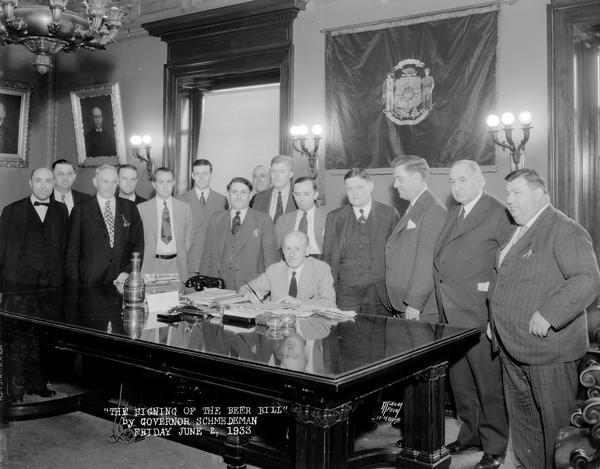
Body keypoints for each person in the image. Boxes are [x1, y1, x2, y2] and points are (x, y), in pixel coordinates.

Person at [490, 168, 600, 469]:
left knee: (556, 428)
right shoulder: (518, 228)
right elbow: (507, 279)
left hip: (548, 349)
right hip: (512, 344)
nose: (509, 200)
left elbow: (587, 278)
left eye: (517, 193)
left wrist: (549, 314)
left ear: (541, 194)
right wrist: (494, 319)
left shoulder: (564, 229)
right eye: (507, 193)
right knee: (524, 420)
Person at [433, 160, 511, 469]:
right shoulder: (455, 212)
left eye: (462, 180)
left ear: (479, 179)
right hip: (452, 315)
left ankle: (495, 446)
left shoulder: (498, 212)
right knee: (461, 382)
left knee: (488, 386)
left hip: (480, 316)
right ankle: (470, 433)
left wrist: (496, 316)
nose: (456, 186)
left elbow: (506, 268)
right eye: (452, 181)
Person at [322, 168, 399, 315]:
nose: (354, 192)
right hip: (344, 294)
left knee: (379, 336)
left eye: (359, 187)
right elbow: (327, 257)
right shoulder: (334, 217)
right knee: (345, 335)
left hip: (378, 293)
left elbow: (396, 258)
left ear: (370, 186)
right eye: (350, 189)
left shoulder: (389, 214)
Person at [385, 155, 446, 321]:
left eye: (400, 179)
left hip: (419, 308)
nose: (396, 184)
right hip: (404, 304)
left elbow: (427, 261)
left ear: (417, 177)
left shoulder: (433, 210)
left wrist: (415, 303)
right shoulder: (415, 206)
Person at [65, 164, 144, 285]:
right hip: (89, 282)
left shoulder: (130, 208)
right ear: (95, 182)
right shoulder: (81, 209)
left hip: (121, 280)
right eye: (105, 181)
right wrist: (74, 285)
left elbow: (138, 245)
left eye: (114, 182)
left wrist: (129, 272)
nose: (110, 186)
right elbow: (72, 252)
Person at [200, 177, 278, 290]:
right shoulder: (216, 219)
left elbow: (271, 261)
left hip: (252, 287)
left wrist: (269, 288)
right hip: (219, 287)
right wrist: (205, 283)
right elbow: (207, 256)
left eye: (243, 192)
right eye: (234, 192)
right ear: (228, 195)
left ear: (250, 196)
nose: (238, 196)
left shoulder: (263, 220)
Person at [0, 167, 68, 289]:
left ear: (54, 184)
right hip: (19, 285)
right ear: (30, 183)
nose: (43, 186)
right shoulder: (11, 210)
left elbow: (63, 247)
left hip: (53, 285)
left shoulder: (62, 210)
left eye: (48, 181)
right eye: (38, 181)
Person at [240, 231, 336, 308]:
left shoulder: (321, 269)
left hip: (310, 327)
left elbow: (329, 303)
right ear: (283, 251)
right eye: (288, 248)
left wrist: (299, 302)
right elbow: (244, 289)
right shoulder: (274, 270)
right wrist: (250, 296)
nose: (291, 254)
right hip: (279, 326)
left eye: (297, 248)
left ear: (307, 250)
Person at [138, 167, 193, 282]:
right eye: (161, 182)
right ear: (154, 184)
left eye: (168, 181)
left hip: (176, 266)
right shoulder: (142, 209)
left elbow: (189, 235)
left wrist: (180, 253)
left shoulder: (185, 208)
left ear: (173, 183)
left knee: (177, 299)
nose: (165, 186)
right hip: (151, 266)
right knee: (151, 300)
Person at [178, 159, 228, 273]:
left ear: (211, 174)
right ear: (192, 175)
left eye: (205, 174)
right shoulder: (180, 200)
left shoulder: (221, 200)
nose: (201, 177)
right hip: (189, 261)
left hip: (212, 261)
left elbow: (224, 234)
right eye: (197, 174)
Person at [275, 177, 327, 258]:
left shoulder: (328, 218)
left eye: (306, 194)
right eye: (297, 194)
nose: (301, 199)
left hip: (319, 262)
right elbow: (274, 249)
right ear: (293, 195)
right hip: (291, 261)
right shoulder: (283, 220)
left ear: (315, 195)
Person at [251, 155, 297, 223]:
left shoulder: (299, 195)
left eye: (282, 171)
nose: (277, 176)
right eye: (274, 171)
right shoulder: (259, 198)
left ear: (291, 174)